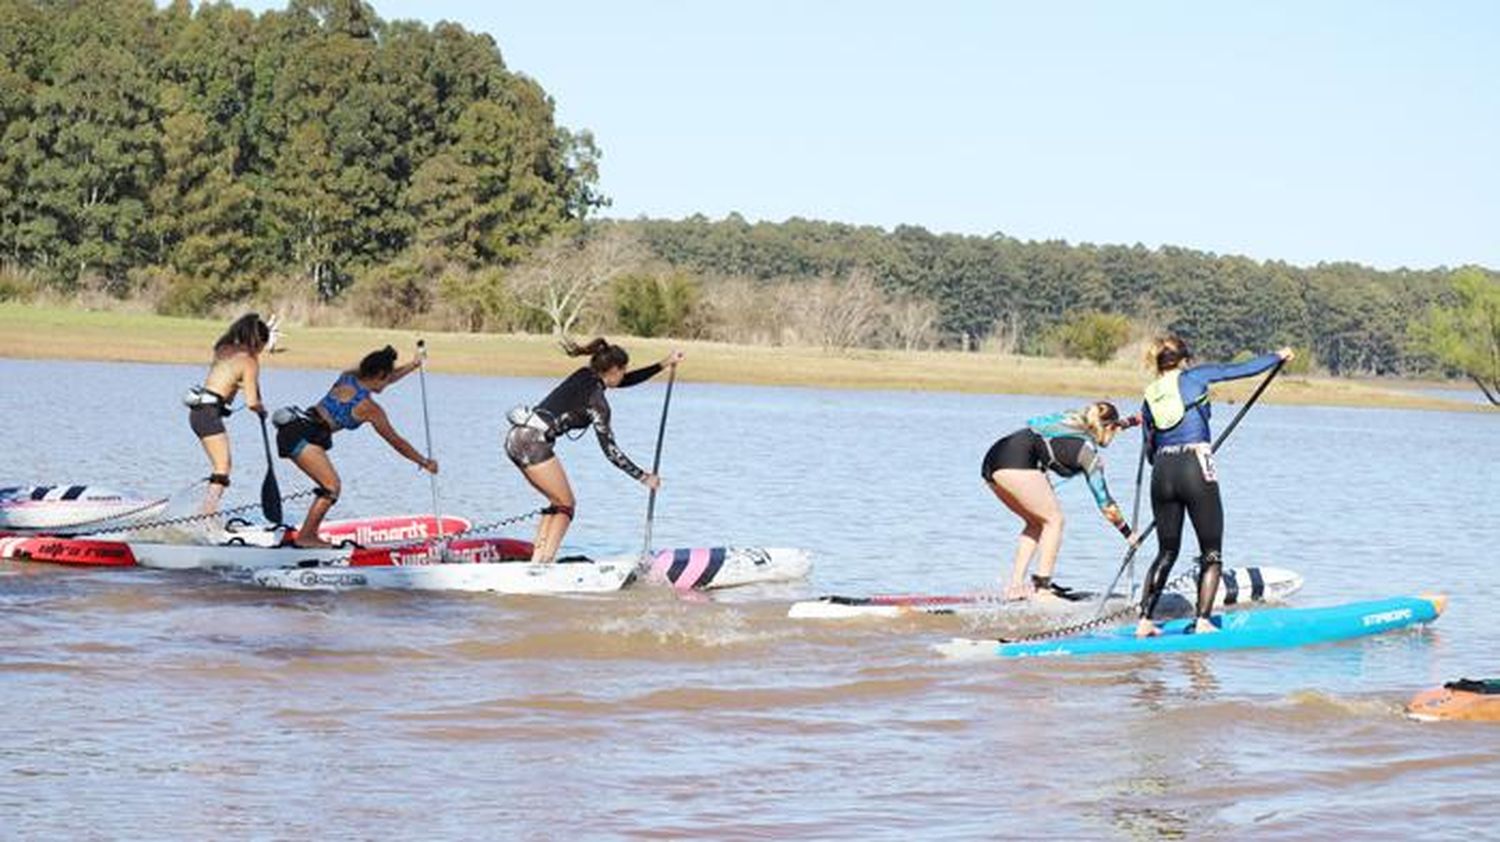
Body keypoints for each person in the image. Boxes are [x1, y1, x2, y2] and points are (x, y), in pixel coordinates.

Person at [1135, 336, 1294, 636]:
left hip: (1162, 473)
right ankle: (1204, 621)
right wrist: (1278, 356)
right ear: (1184, 359)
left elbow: (1149, 451)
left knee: (1166, 552)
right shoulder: (1196, 376)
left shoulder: (1150, 394)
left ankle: (1144, 622)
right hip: (1195, 466)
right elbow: (1242, 369)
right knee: (1211, 551)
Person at [505, 338, 683, 563]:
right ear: (614, 369)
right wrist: (643, 476)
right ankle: (543, 563)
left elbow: (622, 381)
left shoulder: (584, 374)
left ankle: (538, 559)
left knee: (557, 501)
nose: (624, 376)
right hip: (533, 444)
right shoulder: (597, 404)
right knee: (566, 505)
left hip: (516, 437)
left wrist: (663, 364)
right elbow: (610, 451)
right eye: (623, 370)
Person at [273, 345, 437, 548]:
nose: (387, 385)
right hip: (304, 436)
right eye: (386, 379)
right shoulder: (369, 408)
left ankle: (307, 534)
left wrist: (413, 365)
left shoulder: (347, 377)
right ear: (379, 374)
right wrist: (423, 461)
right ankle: (307, 537)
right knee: (331, 487)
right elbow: (396, 441)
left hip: (295, 427)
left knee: (329, 486)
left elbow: (384, 377)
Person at [982, 402, 1139, 601]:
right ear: (1108, 428)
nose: (1115, 435)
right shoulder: (1088, 453)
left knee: (1036, 523)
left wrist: (1133, 421)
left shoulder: (1074, 423)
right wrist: (1129, 534)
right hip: (1016, 462)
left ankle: (1015, 586)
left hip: (994, 458)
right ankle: (1043, 588)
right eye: (1115, 430)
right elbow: (1106, 503)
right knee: (1055, 520)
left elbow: (1110, 424)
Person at [185, 313, 276, 513]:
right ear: (257, 342)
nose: (261, 351)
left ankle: (206, 511)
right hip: (209, 414)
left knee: (220, 466)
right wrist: (261, 410)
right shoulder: (249, 361)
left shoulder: (223, 349)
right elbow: (252, 402)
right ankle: (206, 515)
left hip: (198, 412)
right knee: (222, 467)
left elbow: (233, 378)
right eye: (262, 346)